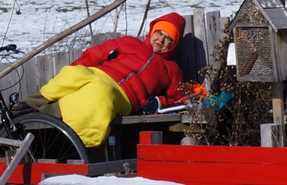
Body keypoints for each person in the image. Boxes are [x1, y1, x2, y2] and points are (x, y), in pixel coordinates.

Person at [28, 14, 187, 148]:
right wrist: (75, 70)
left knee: (100, 91)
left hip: (125, 97)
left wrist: (160, 101)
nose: (161, 40)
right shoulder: (130, 43)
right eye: (159, 33)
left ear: (174, 45)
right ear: (152, 32)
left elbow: (178, 98)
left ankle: (45, 114)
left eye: (168, 38)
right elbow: (94, 55)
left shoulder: (171, 70)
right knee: (74, 73)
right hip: (100, 74)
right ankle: (26, 105)